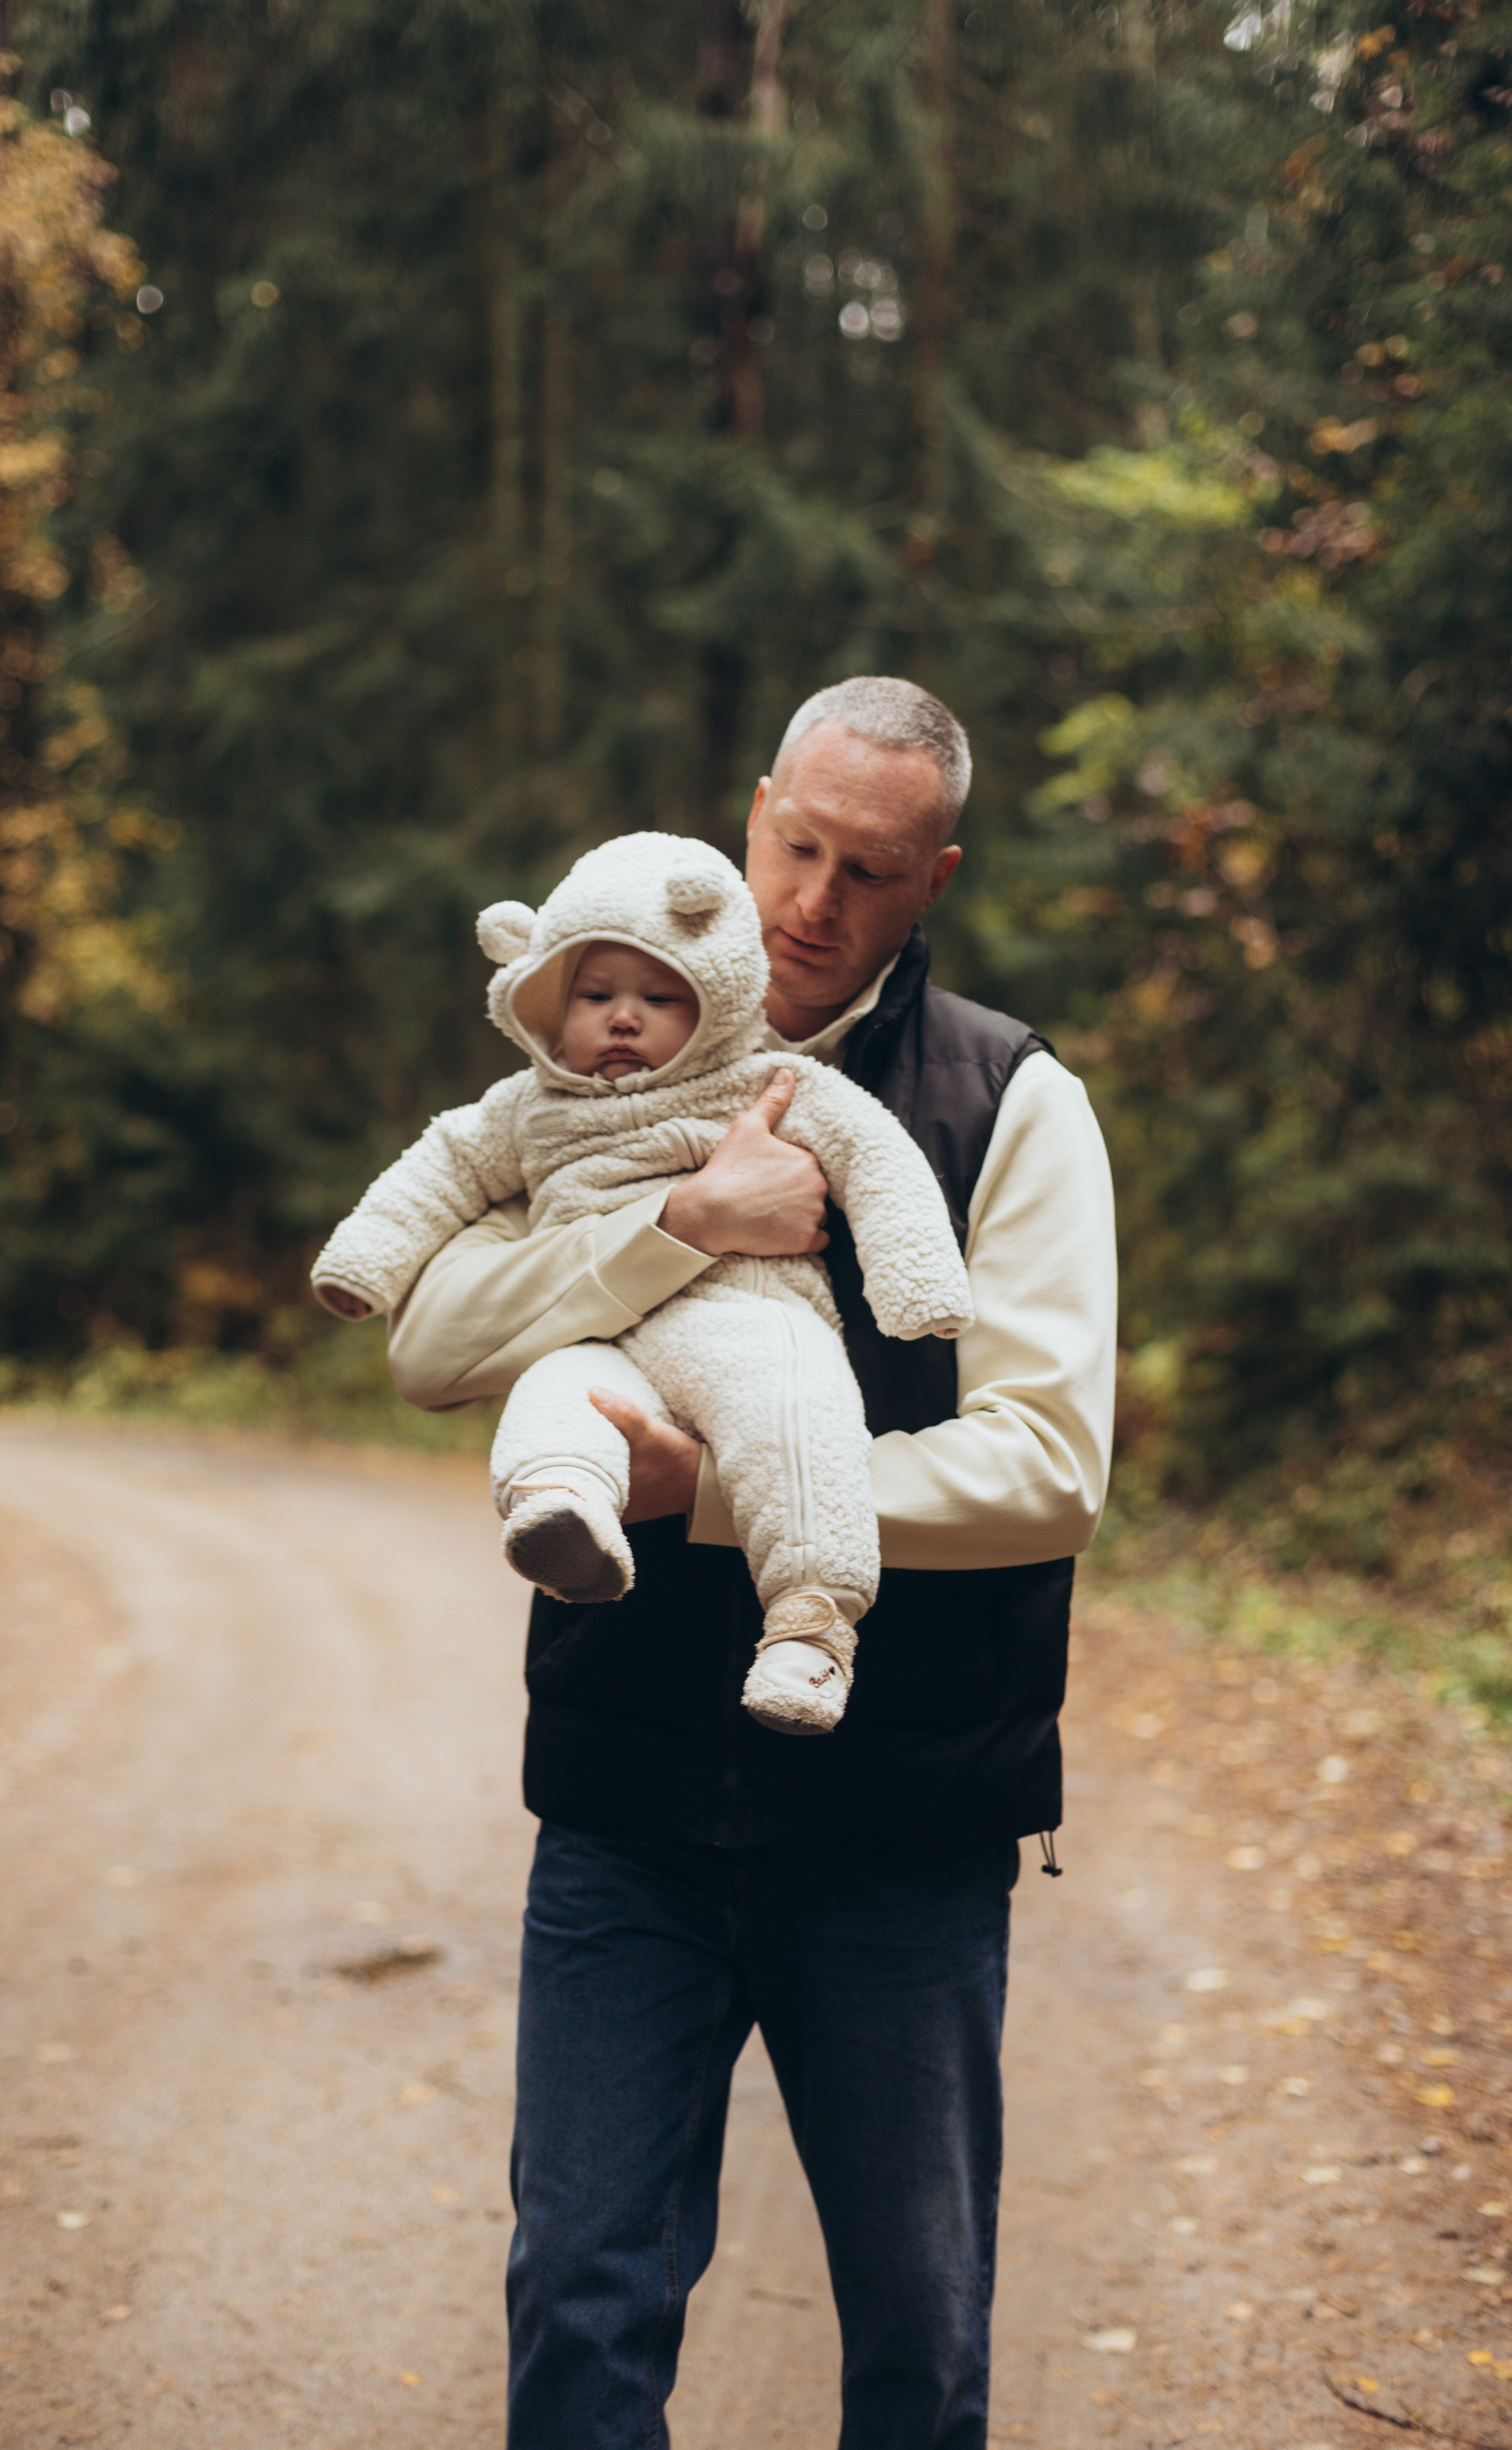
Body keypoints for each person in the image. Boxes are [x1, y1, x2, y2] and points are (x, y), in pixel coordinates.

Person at [389, 676, 1116, 2450]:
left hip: (905, 1831)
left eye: (867, 871)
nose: (810, 903)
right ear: (753, 810)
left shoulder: (1006, 1103)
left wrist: (712, 1495)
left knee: (918, 2345)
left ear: (934, 876)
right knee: (581, 2300)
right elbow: (434, 1335)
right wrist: (677, 1226)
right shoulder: (592, 1034)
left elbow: (1048, 1470)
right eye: (795, 846)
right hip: (628, 1810)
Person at [309, 829, 974, 1734]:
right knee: (554, 1395)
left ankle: (810, 1631)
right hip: (602, 1338)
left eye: (660, 996)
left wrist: (915, 1281)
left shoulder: (760, 1084)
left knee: (798, 1411)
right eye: (595, 995)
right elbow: (442, 1168)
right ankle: (565, 1512)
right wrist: (364, 1263)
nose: (623, 1018)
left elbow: (873, 1155)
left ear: (719, 1001)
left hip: (745, 1317)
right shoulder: (528, 1110)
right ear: (547, 1000)